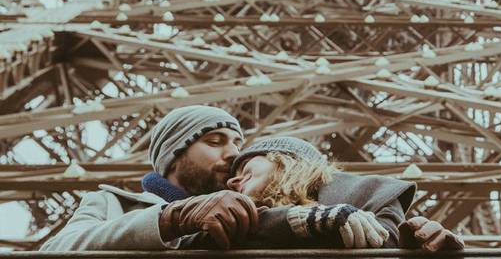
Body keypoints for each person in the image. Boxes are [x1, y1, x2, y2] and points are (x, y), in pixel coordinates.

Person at [40, 105, 462, 252]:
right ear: (174, 155)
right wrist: (173, 219)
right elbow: (55, 252)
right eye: (215, 140)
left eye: (238, 143)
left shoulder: (274, 212)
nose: (233, 153)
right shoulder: (114, 205)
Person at [225, 136, 461, 251]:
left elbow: (386, 244)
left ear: (286, 161)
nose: (231, 181)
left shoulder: (377, 194)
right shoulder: (225, 218)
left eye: (246, 168)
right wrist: (299, 219)